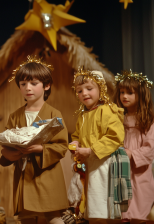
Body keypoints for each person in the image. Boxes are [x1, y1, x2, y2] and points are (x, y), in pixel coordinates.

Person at [0, 55, 68, 224]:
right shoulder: (15, 116)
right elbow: (7, 142)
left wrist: (40, 149)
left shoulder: (54, 114)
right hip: (24, 174)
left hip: (47, 173)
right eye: (23, 84)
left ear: (46, 85)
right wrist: (10, 153)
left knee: (53, 216)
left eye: (33, 83)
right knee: (26, 217)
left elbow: (61, 146)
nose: (27, 88)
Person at [70, 67, 124, 223]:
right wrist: (75, 143)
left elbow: (115, 137)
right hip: (90, 166)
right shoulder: (83, 116)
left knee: (104, 208)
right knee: (93, 209)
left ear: (101, 89)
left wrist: (92, 150)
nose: (84, 93)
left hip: (105, 165)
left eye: (89, 88)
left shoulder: (107, 111)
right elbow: (77, 135)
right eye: (79, 91)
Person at [114, 70, 154, 224]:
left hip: (139, 171)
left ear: (141, 94)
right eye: (122, 92)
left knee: (139, 206)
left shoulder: (148, 120)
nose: (124, 96)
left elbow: (150, 148)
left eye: (130, 93)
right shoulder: (117, 118)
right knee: (122, 206)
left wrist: (132, 153)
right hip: (120, 168)